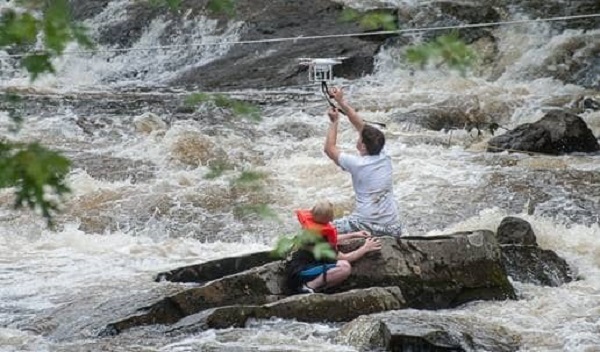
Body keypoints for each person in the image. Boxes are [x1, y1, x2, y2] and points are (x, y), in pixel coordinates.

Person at [323, 86, 403, 237]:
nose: (358, 137)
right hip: (394, 229)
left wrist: (334, 121)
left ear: (363, 146)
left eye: (359, 138)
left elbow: (329, 149)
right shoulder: (385, 156)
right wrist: (341, 102)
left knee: (320, 231)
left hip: (366, 226)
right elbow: (361, 125)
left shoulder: (357, 164)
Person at [286, 200, 382, 294]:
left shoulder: (313, 230)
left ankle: (316, 287)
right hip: (300, 273)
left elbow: (331, 240)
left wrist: (354, 234)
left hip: (299, 269)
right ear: (330, 218)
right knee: (344, 267)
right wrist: (366, 248)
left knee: (341, 266)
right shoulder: (321, 242)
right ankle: (308, 287)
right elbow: (347, 258)